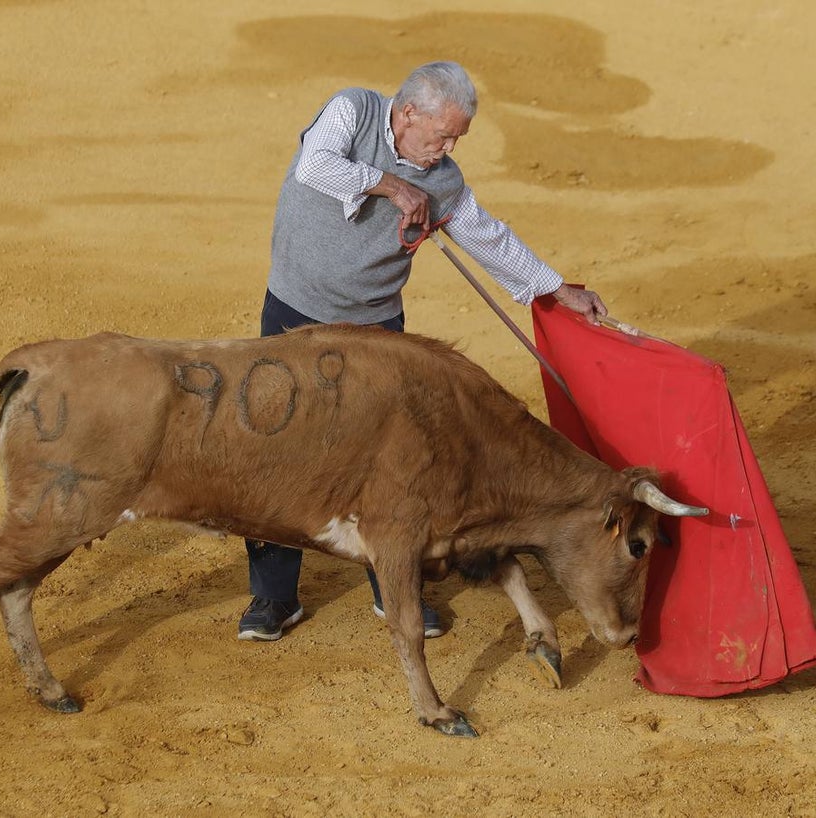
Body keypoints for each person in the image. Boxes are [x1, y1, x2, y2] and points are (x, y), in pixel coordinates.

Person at [238, 61, 608, 642]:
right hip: (294, 311)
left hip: (375, 328)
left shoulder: (445, 182)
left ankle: (395, 589)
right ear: (408, 113)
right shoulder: (352, 110)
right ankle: (274, 597)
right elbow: (315, 165)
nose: (449, 149)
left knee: (389, 461)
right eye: (443, 135)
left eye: (457, 138)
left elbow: (488, 238)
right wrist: (394, 185)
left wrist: (556, 288)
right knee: (279, 449)